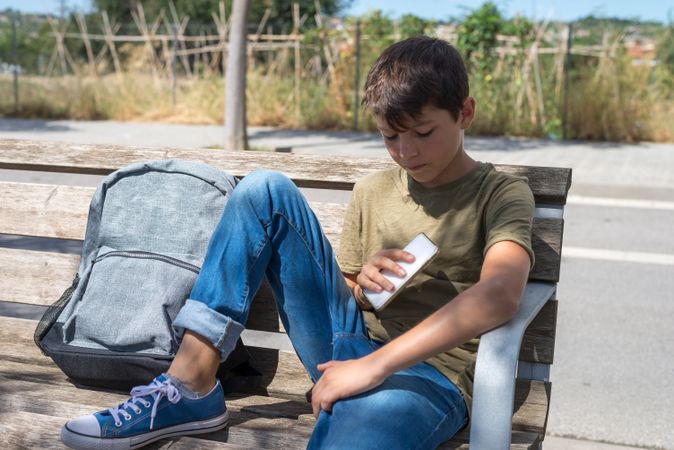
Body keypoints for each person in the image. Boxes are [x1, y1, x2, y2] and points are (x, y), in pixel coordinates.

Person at [60, 36, 534, 450]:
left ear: (465, 112)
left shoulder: (501, 194)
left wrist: (371, 369)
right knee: (263, 188)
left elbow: (500, 294)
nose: (406, 152)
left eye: (423, 133)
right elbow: (346, 288)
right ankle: (189, 386)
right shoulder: (374, 189)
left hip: (429, 376)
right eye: (390, 136)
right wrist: (361, 283)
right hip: (346, 343)